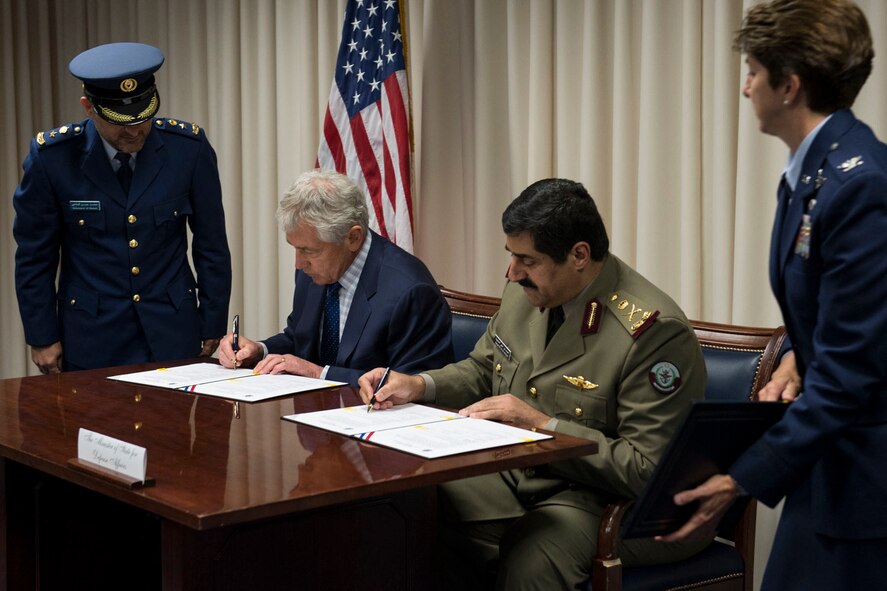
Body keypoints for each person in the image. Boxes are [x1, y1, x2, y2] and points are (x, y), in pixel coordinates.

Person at [359, 178, 709, 590]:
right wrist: (420, 385)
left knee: (535, 556)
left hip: (610, 501)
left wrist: (542, 426)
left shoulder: (650, 332)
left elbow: (647, 471)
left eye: (527, 260)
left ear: (579, 255)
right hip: (522, 473)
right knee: (402, 504)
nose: (511, 272)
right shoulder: (527, 292)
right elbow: (483, 370)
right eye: (511, 255)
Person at [659, 2, 887, 589]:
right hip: (826, 464)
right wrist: (791, 352)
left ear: (789, 86)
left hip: (865, 484)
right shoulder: (812, 174)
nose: (744, 87)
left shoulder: (859, 186)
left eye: (754, 71)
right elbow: (829, 310)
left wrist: (740, 479)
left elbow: (851, 371)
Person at [13, 42, 232, 373]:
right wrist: (42, 337)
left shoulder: (188, 149)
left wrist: (212, 322)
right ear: (89, 107)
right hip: (92, 335)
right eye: (121, 121)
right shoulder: (53, 159)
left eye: (143, 117)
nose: (135, 130)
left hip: (172, 331)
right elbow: (34, 257)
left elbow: (212, 245)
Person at [218, 169, 453, 386]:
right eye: (295, 248)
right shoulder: (314, 271)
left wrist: (320, 374)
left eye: (309, 251)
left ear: (353, 238)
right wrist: (260, 350)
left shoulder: (409, 291)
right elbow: (300, 339)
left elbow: (412, 385)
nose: (299, 263)